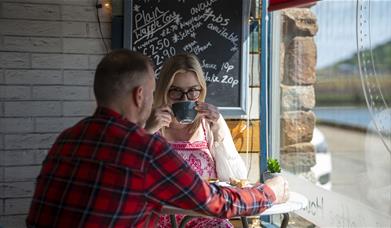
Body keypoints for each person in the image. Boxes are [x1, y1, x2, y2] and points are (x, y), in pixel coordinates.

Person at [26, 49, 289, 228]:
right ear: (140, 95)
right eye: (154, 93)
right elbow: (218, 203)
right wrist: (270, 191)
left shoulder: (68, 139)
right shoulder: (143, 147)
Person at [145, 53, 251, 227]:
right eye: (176, 91)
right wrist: (147, 132)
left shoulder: (209, 124)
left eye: (193, 91)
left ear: (201, 91)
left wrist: (219, 128)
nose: (185, 99)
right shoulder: (150, 124)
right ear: (164, 90)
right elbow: (129, 178)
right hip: (163, 220)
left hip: (207, 219)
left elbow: (237, 179)